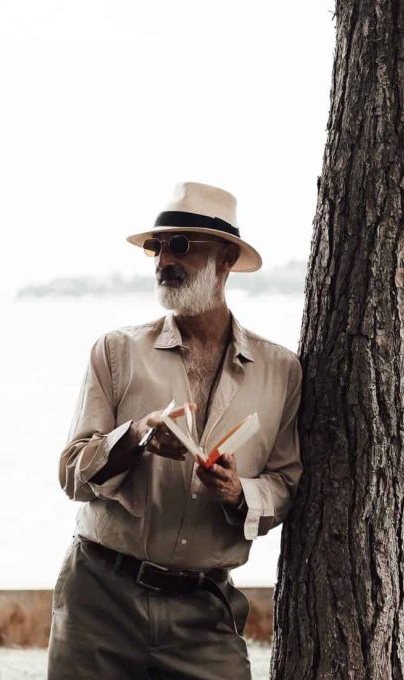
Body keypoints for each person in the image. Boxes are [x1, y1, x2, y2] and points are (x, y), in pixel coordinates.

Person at [46, 181, 303, 679]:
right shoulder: (115, 352)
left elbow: (286, 483)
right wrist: (136, 435)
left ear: (226, 258)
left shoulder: (281, 371)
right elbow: (72, 475)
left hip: (205, 614)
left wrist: (238, 492)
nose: (164, 258)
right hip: (99, 598)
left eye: (180, 244)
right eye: (157, 246)